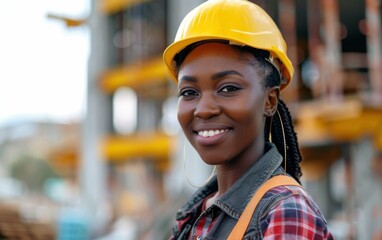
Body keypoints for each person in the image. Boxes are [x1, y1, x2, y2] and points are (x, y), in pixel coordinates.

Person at [163, 0, 333, 239]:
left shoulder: (285, 211)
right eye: (189, 92)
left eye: (228, 88)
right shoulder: (194, 216)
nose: (203, 109)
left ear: (269, 101)